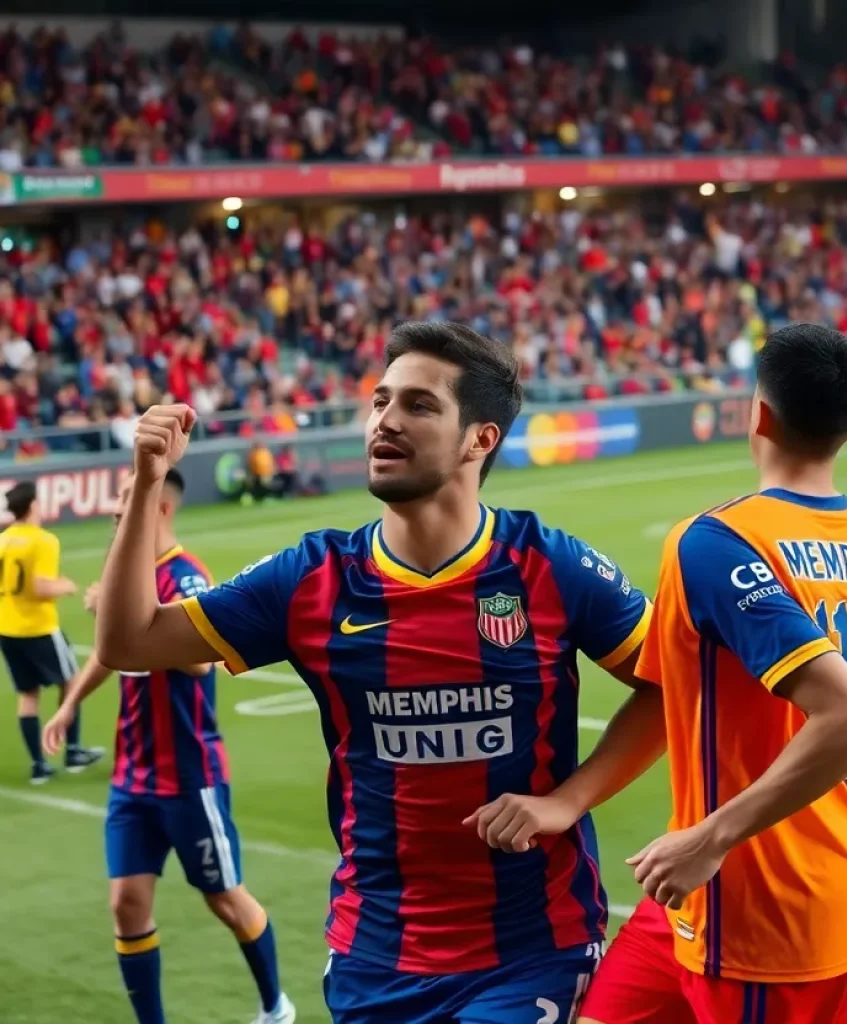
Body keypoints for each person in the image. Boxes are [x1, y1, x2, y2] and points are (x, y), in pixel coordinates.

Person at [94, 321, 667, 1024]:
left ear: (479, 439)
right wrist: (146, 480)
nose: (385, 421)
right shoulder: (312, 576)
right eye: (379, 401)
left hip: (533, 948)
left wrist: (567, 800)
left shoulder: (548, 565)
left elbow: (671, 683)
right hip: (374, 948)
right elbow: (130, 642)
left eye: (419, 406)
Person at [579, 323, 847, 1024]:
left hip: (766, 902)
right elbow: (672, 697)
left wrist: (709, 839)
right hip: (808, 879)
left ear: (753, 413)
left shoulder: (715, 541)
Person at [42, 468, 295, 1024]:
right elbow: (111, 650)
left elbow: (200, 658)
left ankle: (276, 1005)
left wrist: (127, 618)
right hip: (132, 776)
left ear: (159, 506)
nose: (116, 507)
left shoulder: (184, 578)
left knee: (226, 899)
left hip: (188, 775)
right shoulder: (126, 577)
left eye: (128, 497)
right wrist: (71, 702)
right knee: (126, 905)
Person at [0, 480, 103, 784]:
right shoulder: (43, 540)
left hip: (7, 627)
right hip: (39, 627)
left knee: (28, 695)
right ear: (32, 506)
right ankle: (72, 751)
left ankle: (38, 765)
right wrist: (67, 585)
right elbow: (39, 586)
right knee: (72, 683)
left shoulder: (3, 540)